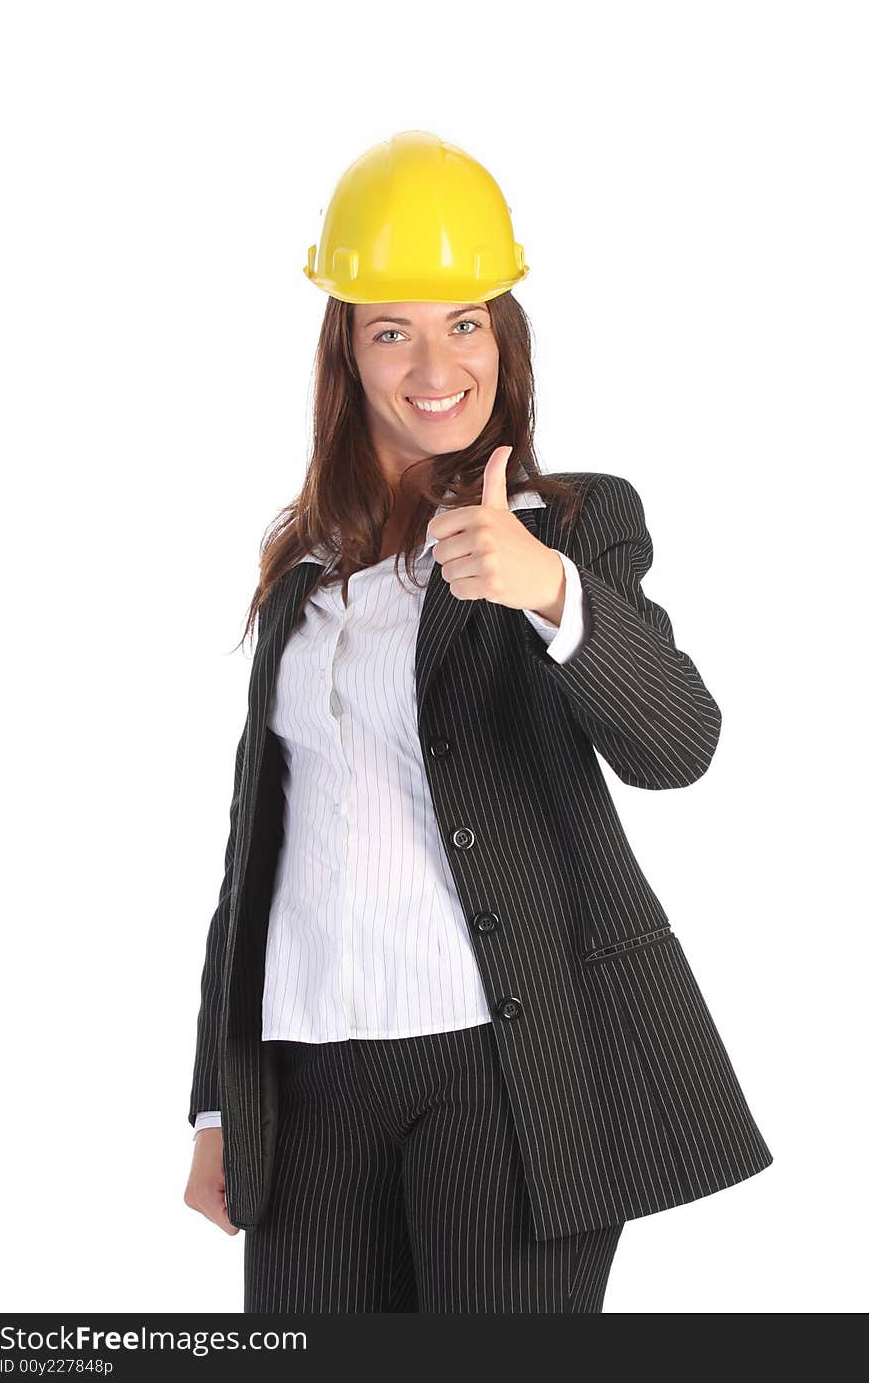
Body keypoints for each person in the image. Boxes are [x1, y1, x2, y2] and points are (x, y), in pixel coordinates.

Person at [183, 130, 773, 1313]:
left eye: (466, 322)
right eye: (391, 328)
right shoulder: (303, 569)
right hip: (306, 1089)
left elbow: (679, 743)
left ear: (506, 337)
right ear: (346, 353)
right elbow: (257, 856)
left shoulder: (568, 525)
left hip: (503, 1074)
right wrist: (215, 1103)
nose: (434, 361)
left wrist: (548, 592)